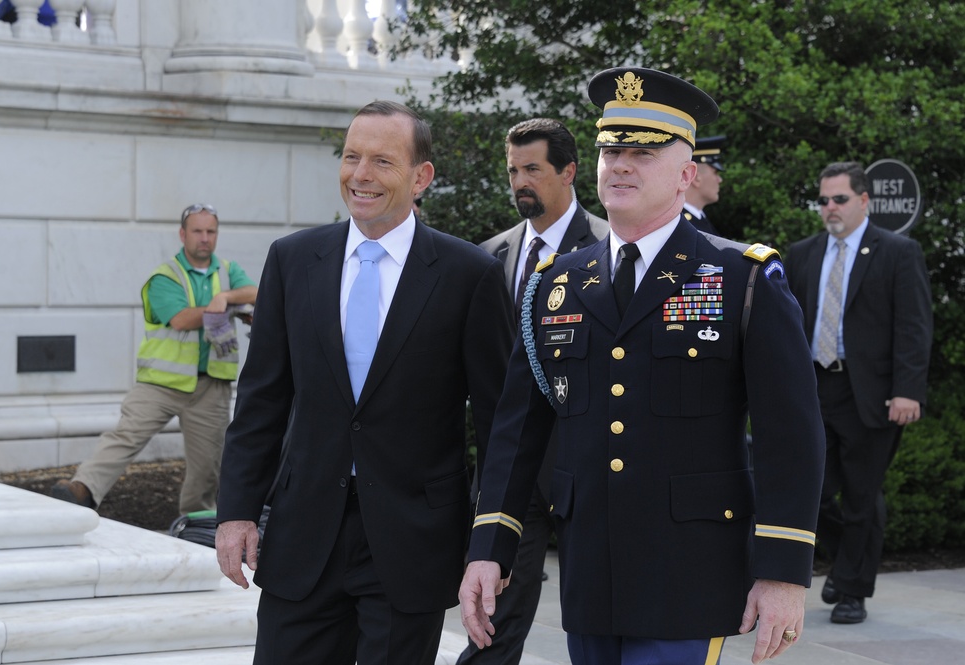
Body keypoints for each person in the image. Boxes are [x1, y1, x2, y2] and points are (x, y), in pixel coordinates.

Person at [459, 67, 826, 665]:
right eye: (611, 151)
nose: (621, 166)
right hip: (590, 573)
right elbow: (518, 430)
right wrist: (488, 547)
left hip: (690, 572)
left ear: (686, 175)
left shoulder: (742, 277)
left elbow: (791, 435)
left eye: (643, 153)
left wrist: (783, 572)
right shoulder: (557, 283)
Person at [214, 101, 514, 665]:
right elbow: (261, 400)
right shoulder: (293, 260)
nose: (361, 175)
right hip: (304, 536)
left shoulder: (468, 275)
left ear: (421, 177)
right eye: (352, 157)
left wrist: (491, 543)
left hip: (412, 543)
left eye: (382, 161)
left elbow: (503, 424)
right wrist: (236, 510)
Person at [458, 117, 609, 665]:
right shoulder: (489, 255)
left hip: (587, 466)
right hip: (512, 472)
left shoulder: (610, 247)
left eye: (533, 170)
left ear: (569, 172)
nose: (520, 181)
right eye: (513, 171)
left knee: (601, 620)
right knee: (492, 620)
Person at [784, 161, 933, 625]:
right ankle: (847, 562)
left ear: (864, 201)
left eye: (840, 199)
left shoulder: (898, 252)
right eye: (823, 200)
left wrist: (907, 391)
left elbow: (914, 326)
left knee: (862, 497)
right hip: (814, 387)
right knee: (811, 491)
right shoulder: (802, 253)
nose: (829, 207)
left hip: (870, 392)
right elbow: (788, 325)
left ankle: (851, 590)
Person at [51, 204, 257, 515]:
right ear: (182, 235)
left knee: (208, 466)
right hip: (160, 384)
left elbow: (257, 292)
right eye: (197, 231)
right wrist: (224, 307)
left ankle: (195, 523)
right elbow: (180, 319)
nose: (204, 238)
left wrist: (226, 298)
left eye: (210, 231)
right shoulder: (164, 276)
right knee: (125, 436)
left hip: (211, 387)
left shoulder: (228, 271)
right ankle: (83, 489)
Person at [683, 135, 725, 235]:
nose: (720, 180)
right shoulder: (683, 226)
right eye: (715, 173)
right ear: (696, 177)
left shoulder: (698, 220)